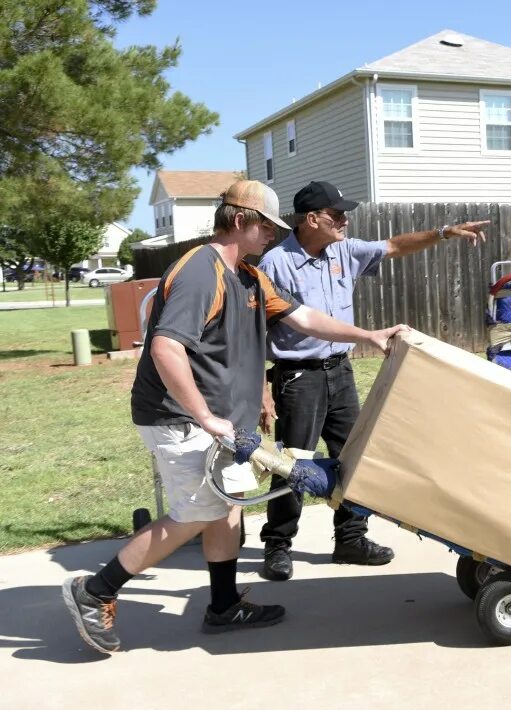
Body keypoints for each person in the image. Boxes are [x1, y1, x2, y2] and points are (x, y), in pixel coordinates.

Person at [62, 180, 406, 653]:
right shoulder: (201, 272)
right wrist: (204, 415)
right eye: (267, 226)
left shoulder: (247, 274)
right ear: (241, 220)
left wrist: (369, 335)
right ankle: (95, 590)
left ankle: (223, 606)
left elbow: (302, 318)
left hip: (225, 423)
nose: (272, 235)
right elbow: (165, 347)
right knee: (197, 512)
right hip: (181, 419)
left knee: (227, 508)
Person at [257, 181, 489, 581]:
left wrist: (444, 233)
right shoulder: (275, 263)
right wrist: (261, 389)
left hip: (340, 373)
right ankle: (278, 545)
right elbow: (254, 329)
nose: (345, 221)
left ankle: (350, 538)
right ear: (311, 219)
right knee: (292, 462)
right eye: (337, 215)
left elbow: (394, 246)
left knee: (354, 456)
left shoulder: (343, 252)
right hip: (298, 377)